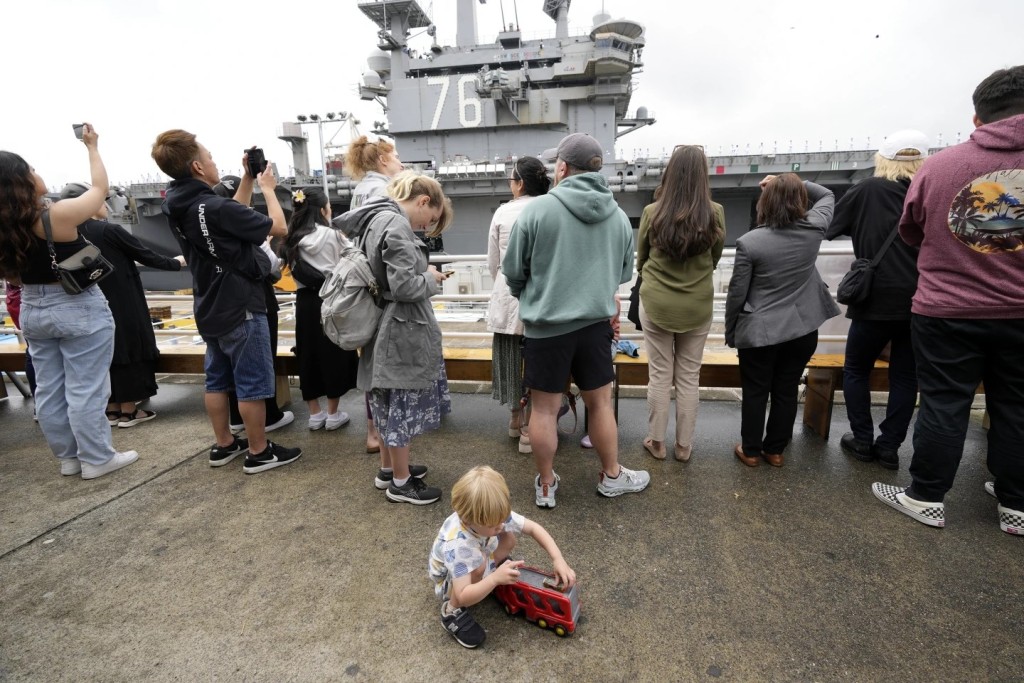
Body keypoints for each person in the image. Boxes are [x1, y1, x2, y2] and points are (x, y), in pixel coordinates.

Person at [871, 65, 1024, 535]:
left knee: (943, 403)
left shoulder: (939, 167)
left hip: (947, 308)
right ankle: (1017, 505)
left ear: (977, 119)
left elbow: (911, 230)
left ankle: (927, 497)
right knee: (1017, 405)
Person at [503, 132, 651, 507]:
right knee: (599, 405)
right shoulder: (618, 217)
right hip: (595, 327)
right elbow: (621, 275)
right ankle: (613, 475)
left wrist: (536, 297)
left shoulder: (536, 211)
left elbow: (513, 272)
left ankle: (548, 484)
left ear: (563, 167)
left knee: (543, 410)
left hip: (546, 328)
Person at [152, 129, 301, 474]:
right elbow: (277, 227)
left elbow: (226, 216)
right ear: (197, 167)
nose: (214, 163)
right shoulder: (215, 207)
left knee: (217, 379)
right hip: (241, 304)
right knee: (251, 382)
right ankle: (259, 451)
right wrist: (267, 187)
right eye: (210, 158)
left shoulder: (177, 204)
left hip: (209, 302)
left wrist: (245, 181)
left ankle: (224, 445)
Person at [0, 125, 139, 479]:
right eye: (30, 169)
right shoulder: (53, 216)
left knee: (48, 389)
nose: (36, 173)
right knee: (87, 387)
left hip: (32, 307)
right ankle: (97, 458)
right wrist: (92, 147)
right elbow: (99, 191)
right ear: (20, 181)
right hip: (75, 305)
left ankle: (69, 458)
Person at [335, 171, 452, 504]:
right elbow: (405, 287)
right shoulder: (397, 225)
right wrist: (430, 278)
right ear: (423, 201)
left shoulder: (374, 219)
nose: (425, 227)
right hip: (400, 327)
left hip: (380, 322)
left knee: (384, 401)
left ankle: (389, 469)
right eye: (429, 218)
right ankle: (402, 483)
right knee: (400, 403)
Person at [825, 130, 927, 470]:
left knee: (856, 369)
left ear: (882, 159)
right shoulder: (928, 191)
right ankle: (889, 447)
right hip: (921, 297)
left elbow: (828, 228)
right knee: (905, 376)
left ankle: (862, 440)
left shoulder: (867, 190)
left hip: (874, 296)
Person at [725, 174, 840, 468]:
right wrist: (791, 182)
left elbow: (738, 293)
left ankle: (750, 450)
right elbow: (826, 194)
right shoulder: (814, 228)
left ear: (764, 203)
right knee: (787, 388)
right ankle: (775, 450)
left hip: (760, 332)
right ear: (801, 200)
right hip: (802, 329)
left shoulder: (750, 243)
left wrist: (731, 331)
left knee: (755, 391)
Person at [59, 181, 186, 427]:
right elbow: (145, 255)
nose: (106, 205)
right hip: (122, 298)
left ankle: (111, 409)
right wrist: (176, 262)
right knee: (129, 347)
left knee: (101, 353)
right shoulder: (108, 231)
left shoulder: (65, 233)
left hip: (86, 301)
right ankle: (129, 411)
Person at [636, 145, 726, 463]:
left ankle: (657, 442)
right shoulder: (714, 212)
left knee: (660, 374)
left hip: (658, 303)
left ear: (670, 173)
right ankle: (684, 446)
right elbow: (714, 259)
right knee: (689, 375)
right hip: (697, 305)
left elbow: (642, 259)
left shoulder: (652, 213)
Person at [428, 466, 576, 649]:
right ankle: (451, 612)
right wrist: (494, 580)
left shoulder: (492, 515)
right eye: (493, 525)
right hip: (451, 585)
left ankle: (491, 570)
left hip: (477, 553)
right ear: (467, 519)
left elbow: (533, 528)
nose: (500, 525)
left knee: (509, 536)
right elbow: (463, 594)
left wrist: (558, 559)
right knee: (479, 567)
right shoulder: (459, 547)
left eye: (502, 518)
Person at [212, 176, 295, 436]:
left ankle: (234, 421)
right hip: (253, 301)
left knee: (222, 373)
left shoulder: (206, 224)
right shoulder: (243, 225)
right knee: (257, 367)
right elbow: (271, 266)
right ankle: (267, 419)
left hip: (216, 303)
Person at [343, 135, 404, 453]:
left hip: (362, 285)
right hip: (383, 290)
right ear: (382, 160)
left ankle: (371, 431)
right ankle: (382, 432)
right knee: (386, 363)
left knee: (369, 362)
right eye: (395, 156)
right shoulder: (384, 191)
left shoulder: (360, 190)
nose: (400, 162)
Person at [486, 156, 550, 455]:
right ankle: (529, 431)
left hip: (507, 296)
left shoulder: (502, 212)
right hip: (542, 297)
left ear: (520, 183)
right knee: (537, 365)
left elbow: (493, 264)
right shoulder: (551, 208)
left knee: (510, 361)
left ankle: (514, 421)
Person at [279, 187, 358, 430]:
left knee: (308, 353)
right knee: (334, 352)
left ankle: (314, 414)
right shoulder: (333, 235)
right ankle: (333, 414)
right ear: (323, 210)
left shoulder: (291, 238)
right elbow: (355, 257)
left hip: (304, 302)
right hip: (331, 298)